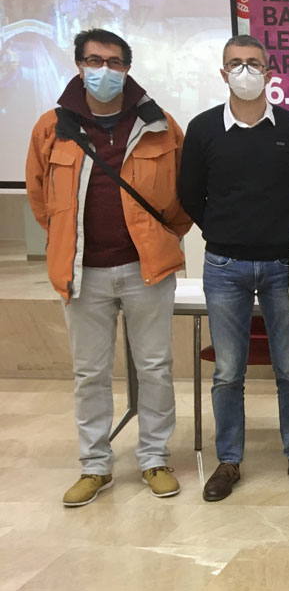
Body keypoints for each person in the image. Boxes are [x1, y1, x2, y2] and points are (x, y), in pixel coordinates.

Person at [25, 29, 192, 506]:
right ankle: (95, 465)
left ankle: (154, 458)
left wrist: (162, 239)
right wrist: (67, 243)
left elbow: (182, 197)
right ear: (80, 66)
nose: (105, 70)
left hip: (146, 269)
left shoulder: (160, 124)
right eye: (95, 61)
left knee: (155, 367)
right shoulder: (50, 127)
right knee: (90, 373)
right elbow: (41, 199)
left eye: (115, 62)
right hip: (83, 274)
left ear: (127, 69)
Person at [178, 35, 289, 501]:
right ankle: (228, 461)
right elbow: (188, 194)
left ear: (269, 72)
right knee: (227, 371)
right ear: (223, 73)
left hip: (284, 265)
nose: (245, 71)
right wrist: (224, 229)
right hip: (224, 266)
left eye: (253, 63)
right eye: (235, 63)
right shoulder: (203, 129)